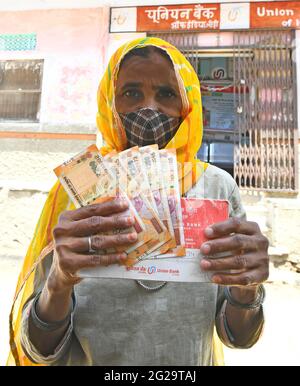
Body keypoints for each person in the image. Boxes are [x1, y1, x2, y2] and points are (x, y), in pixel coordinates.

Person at [8, 37, 269, 366]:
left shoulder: (216, 188)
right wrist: (58, 282)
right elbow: (38, 349)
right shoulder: (77, 191)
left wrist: (247, 289)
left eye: (166, 94)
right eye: (131, 92)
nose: (150, 108)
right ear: (109, 101)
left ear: (187, 105)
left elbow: (239, 336)